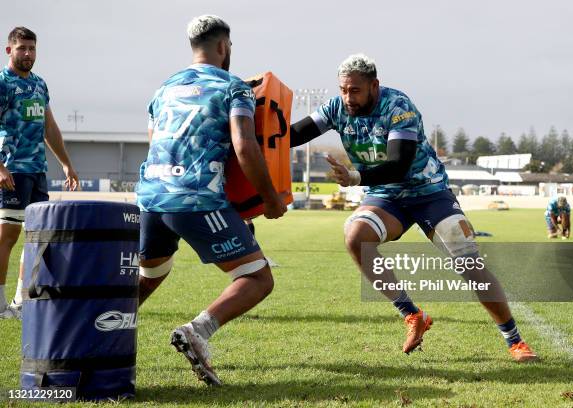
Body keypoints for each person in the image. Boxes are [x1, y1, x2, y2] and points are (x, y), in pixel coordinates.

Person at [289, 54, 537, 362]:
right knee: (356, 236)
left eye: (354, 90)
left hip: (428, 191)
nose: (347, 97)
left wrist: (355, 176)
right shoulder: (337, 108)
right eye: (343, 89)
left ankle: (514, 340)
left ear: (374, 85)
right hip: (387, 195)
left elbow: (398, 164)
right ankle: (412, 315)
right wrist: (255, 136)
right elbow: (295, 134)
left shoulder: (398, 107)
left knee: (467, 262)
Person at [136, 15, 286, 386]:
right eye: (229, 47)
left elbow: (155, 142)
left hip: (151, 198)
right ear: (223, 46)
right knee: (257, 278)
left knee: (152, 274)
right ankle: (197, 332)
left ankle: (98, 330)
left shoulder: (164, 88)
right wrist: (269, 199)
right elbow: (244, 145)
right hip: (197, 199)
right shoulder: (234, 88)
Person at [0, 27, 79, 319]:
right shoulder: (2, 83)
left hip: (37, 171)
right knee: (6, 236)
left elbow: (50, 128)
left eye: (32, 48)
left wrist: (66, 163)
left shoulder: (39, 85)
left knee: (38, 236)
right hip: (11, 170)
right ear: (9, 50)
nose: (28, 54)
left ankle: (23, 301)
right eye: (21, 48)